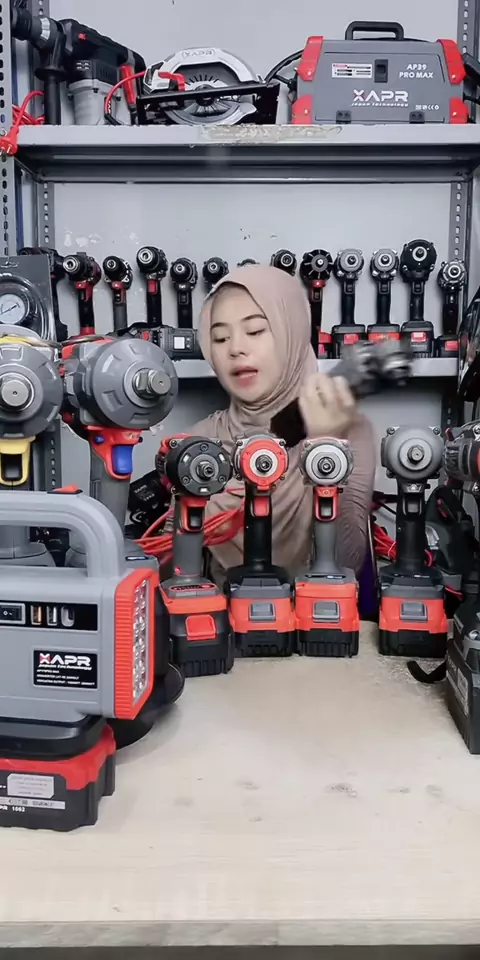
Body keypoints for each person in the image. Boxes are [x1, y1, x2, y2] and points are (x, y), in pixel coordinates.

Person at [191, 263, 376, 581]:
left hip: (319, 612)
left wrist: (325, 446)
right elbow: (166, 567)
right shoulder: (199, 440)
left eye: (255, 331)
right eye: (220, 338)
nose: (235, 349)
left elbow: (349, 561)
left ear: (292, 331)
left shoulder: (348, 428)